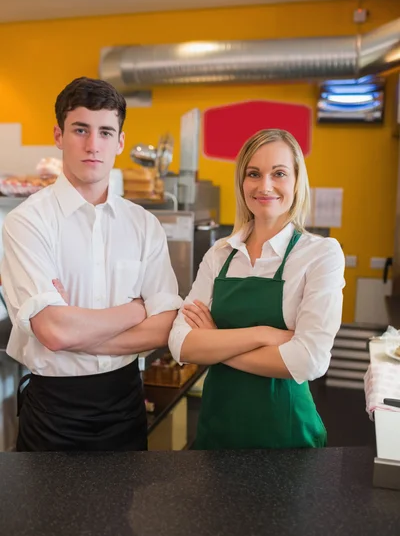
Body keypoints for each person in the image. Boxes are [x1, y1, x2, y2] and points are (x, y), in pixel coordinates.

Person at [1, 76, 182, 452]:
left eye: (104, 132)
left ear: (120, 141)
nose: (92, 145)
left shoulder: (144, 225)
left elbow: (164, 327)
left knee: (123, 511)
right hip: (54, 409)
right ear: (58, 135)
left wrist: (76, 330)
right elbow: (54, 332)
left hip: (126, 403)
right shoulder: (26, 222)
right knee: (45, 512)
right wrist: (137, 308)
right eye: (80, 129)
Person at [168, 129, 345, 450]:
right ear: (242, 182)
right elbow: (180, 344)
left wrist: (215, 347)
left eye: (278, 173)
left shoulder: (321, 253)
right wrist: (264, 334)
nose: (265, 186)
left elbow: (309, 361)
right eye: (254, 174)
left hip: (287, 437)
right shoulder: (219, 254)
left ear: (295, 181)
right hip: (218, 430)